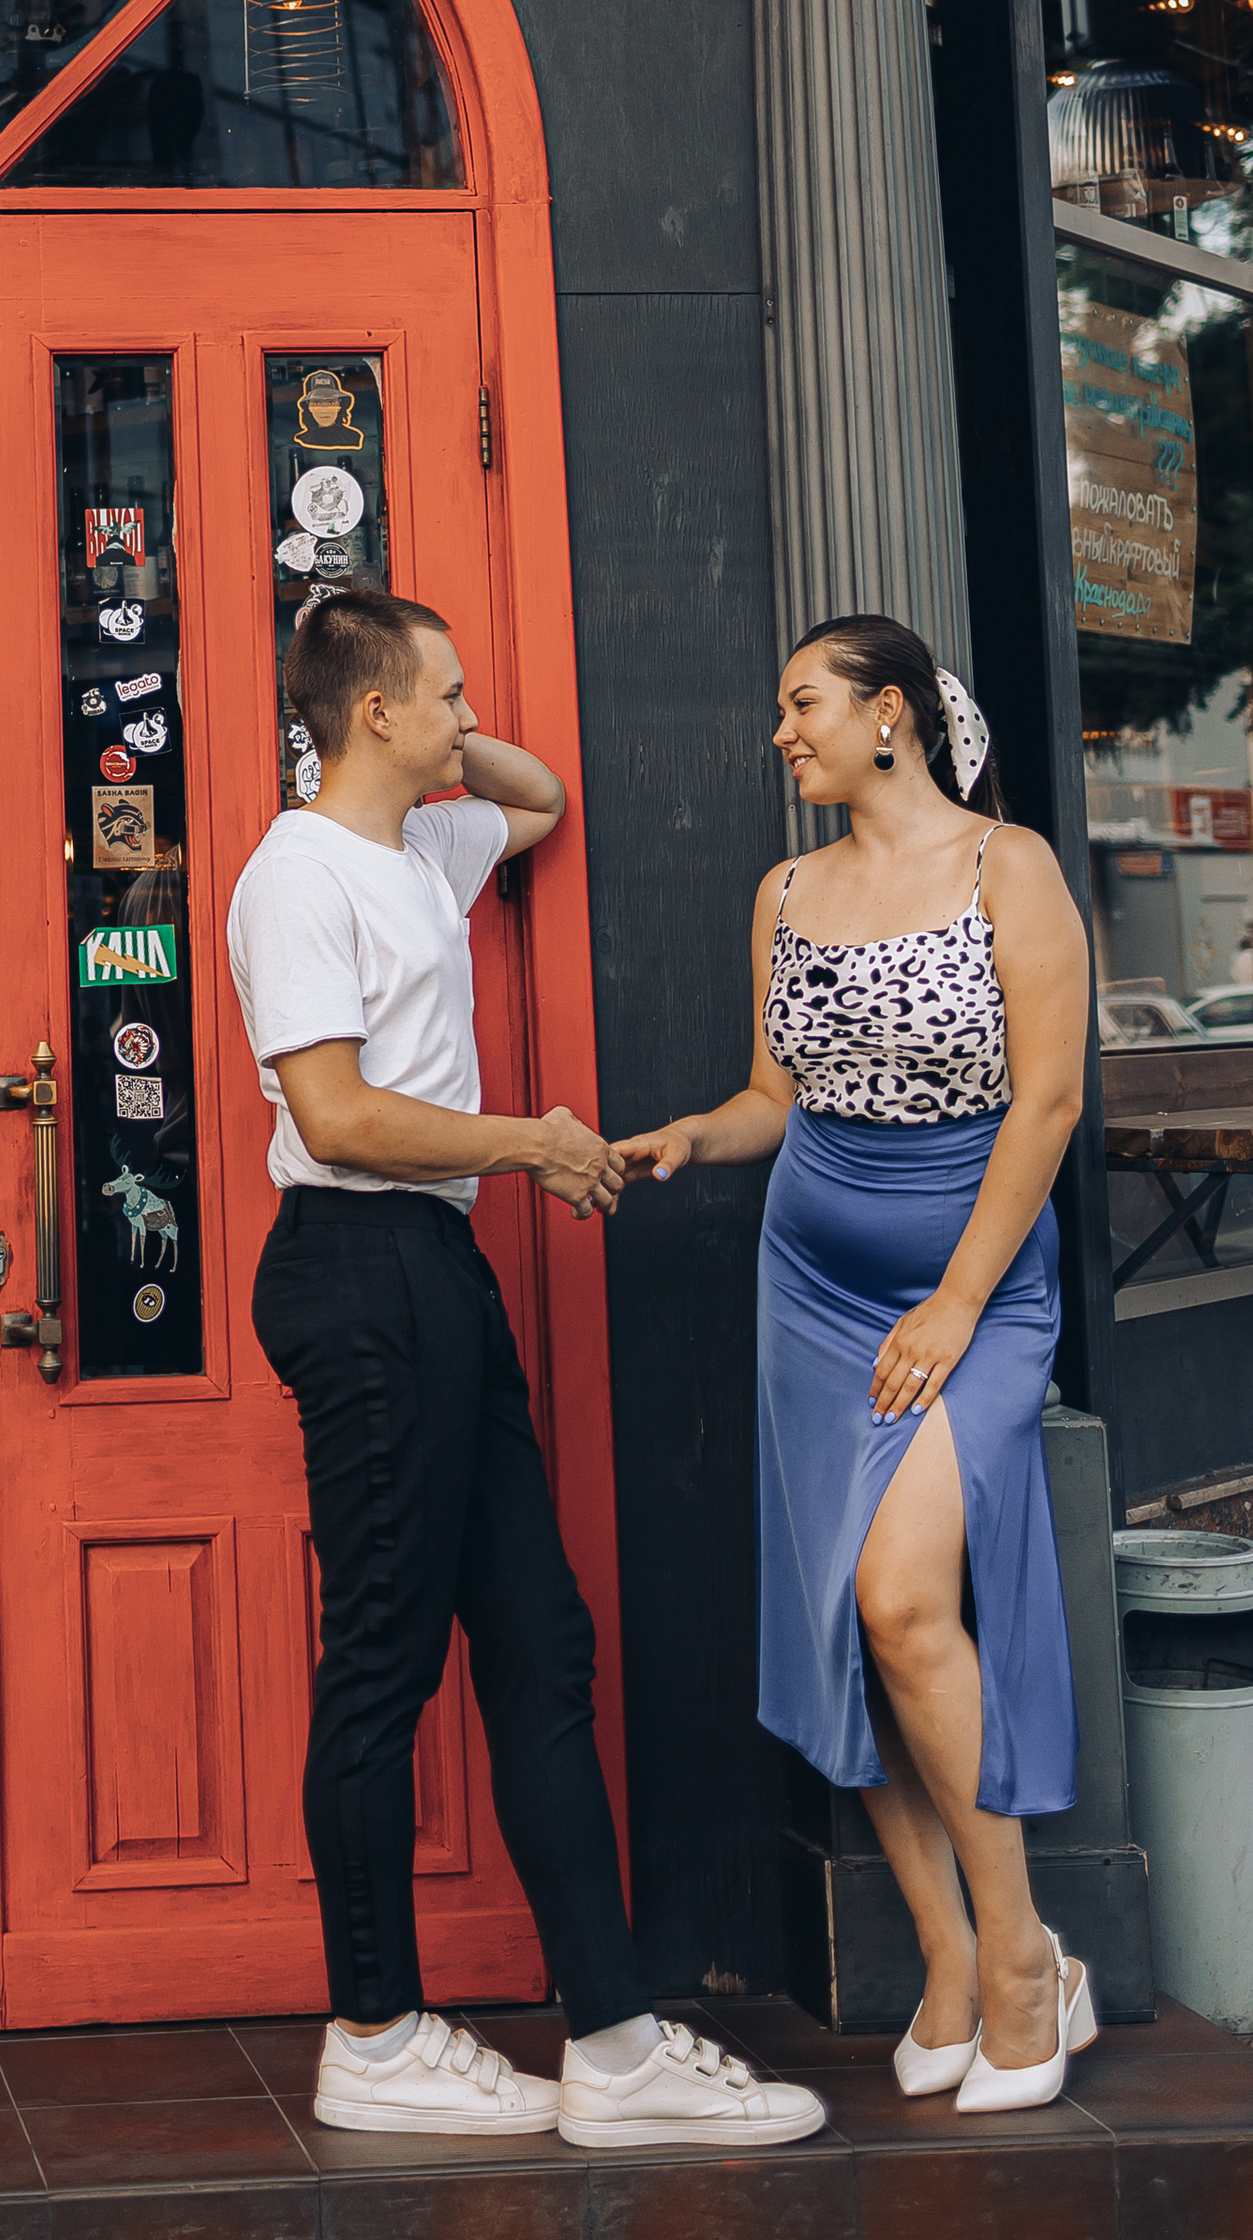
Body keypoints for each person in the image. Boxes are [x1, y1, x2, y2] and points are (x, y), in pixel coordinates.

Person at [229, 585, 827, 2152]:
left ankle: (614, 2045)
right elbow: (338, 1115)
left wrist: (449, 742)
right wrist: (532, 1145)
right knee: (383, 1662)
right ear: (373, 715)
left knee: (541, 1646)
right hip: (360, 1266)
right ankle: (374, 2034)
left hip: (434, 1270)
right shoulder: (294, 877)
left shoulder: (422, 846)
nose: (470, 716)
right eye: (445, 694)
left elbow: (543, 796)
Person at [614, 616, 1093, 2112]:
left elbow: (1050, 1104)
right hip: (814, 1291)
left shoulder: (1008, 868)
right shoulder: (787, 891)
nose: (783, 732)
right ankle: (948, 1958)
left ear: (889, 713)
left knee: (900, 1598)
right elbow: (779, 1094)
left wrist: (956, 1303)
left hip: (973, 1291)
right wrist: (698, 1135)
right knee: (847, 1623)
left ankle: (1028, 1962)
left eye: (803, 703)